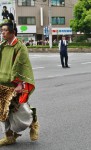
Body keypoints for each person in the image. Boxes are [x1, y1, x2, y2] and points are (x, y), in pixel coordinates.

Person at [0, 14, 39, 146]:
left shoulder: (20, 47)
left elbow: (22, 67)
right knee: (3, 111)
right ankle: (9, 136)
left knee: (20, 110)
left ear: (13, 32)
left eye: (5, 30)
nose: (2, 32)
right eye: (2, 30)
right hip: (2, 84)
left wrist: (20, 84)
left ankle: (33, 122)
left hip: (15, 84)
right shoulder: (3, 45)